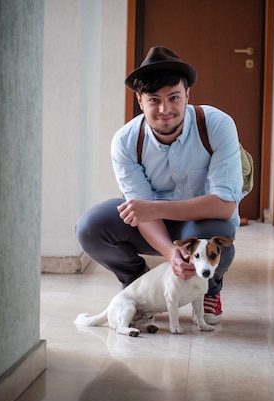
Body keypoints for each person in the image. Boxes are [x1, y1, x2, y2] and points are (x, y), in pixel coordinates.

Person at [75, 46, 245, 325]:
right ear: (140, 101)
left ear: (187, 95)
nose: (165, 109)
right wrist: (170, 253)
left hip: (200, 225)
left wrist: (155, 208)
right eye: (154, 100)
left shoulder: (215, 124)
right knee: (91, 226)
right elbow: (140, 214)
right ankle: (140, 286)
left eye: (174, 98)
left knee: (219, 230)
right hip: (151, 228)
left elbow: (224, 206)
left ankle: (209, 289)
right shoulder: (126, 141)